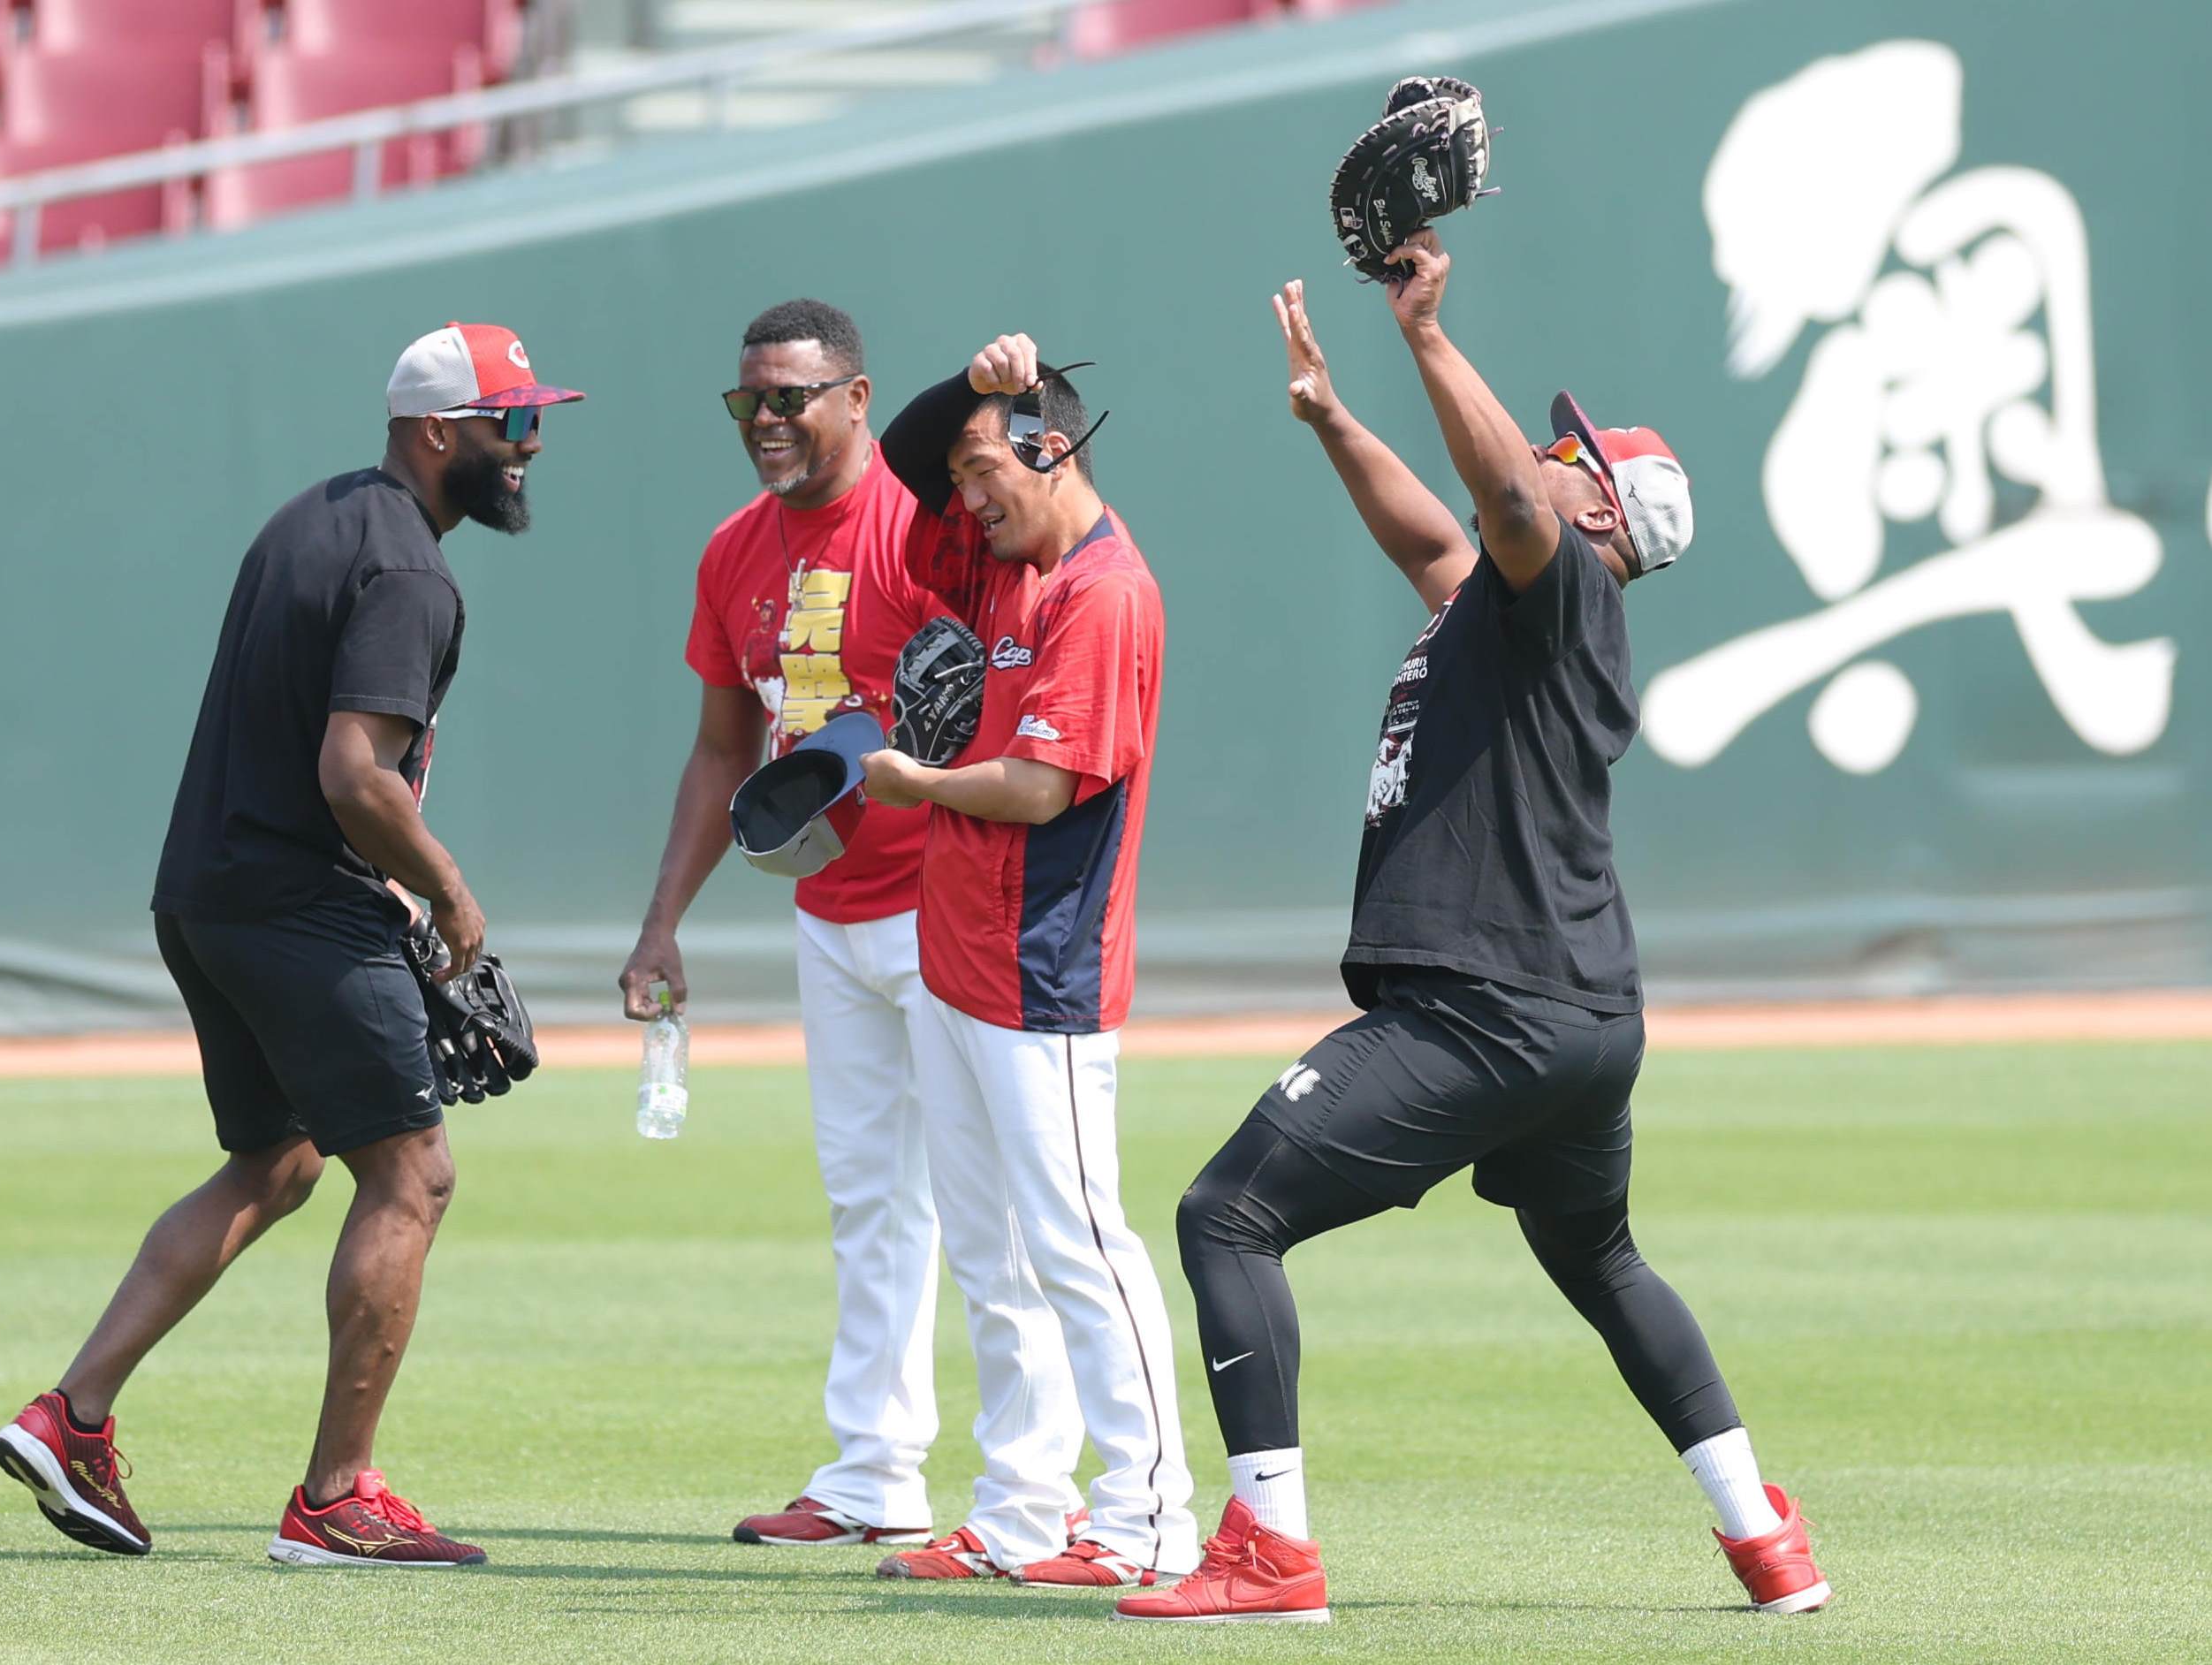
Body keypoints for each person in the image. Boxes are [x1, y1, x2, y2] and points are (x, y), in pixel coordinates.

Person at [1117, 239, 1831, 1623]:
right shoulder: (1512, 608)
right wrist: (1333, 419)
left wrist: (1428, 337)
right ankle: (1766, 1538)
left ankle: (1271, 1553)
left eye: (1568, 457)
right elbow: (1432, 538)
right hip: (1584, 1016)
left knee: (1228, 1215)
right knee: (1600, 1259)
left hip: (1485, 1006)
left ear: (1601, 505)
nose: (1542, 460)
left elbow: (1501, 497)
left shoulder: (1566, 586)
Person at [0, 322, 584, 1570]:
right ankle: (337, 1499)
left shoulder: (313, 518)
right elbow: (354, 773)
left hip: (207, 892)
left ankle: (70, 1418)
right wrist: (447, 891)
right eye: (514, 422)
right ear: (440, 432)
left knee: (279, 1159)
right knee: (413, 1176)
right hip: (297, 902)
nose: (530, 446)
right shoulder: (412, 570)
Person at [859, 334, 1196, 1591]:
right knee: (991, 1257)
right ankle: (1019, 1514)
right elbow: (900, 459)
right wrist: (976, 385)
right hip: (957, 961)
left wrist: (914, 783)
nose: (965, 495)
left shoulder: (1106, 591)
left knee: (1079, 1247)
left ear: (1054, 449)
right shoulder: (998, 559)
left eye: (985, 468)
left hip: (1041, 971)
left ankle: (1149, 1519)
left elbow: (1044, 787)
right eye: (963, 476)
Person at [619, 298, 954, 1549]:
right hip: (829, 909)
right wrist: (663, 923)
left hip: (947, 901)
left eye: (790, 396)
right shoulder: (734, 550)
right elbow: (724, 747)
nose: (764, 418)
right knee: (869, 1201)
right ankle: (876, 1476)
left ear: (857, 398)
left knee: (1000, 1204)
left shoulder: (924, 525)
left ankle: (1059, 1497)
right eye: (747, 398)